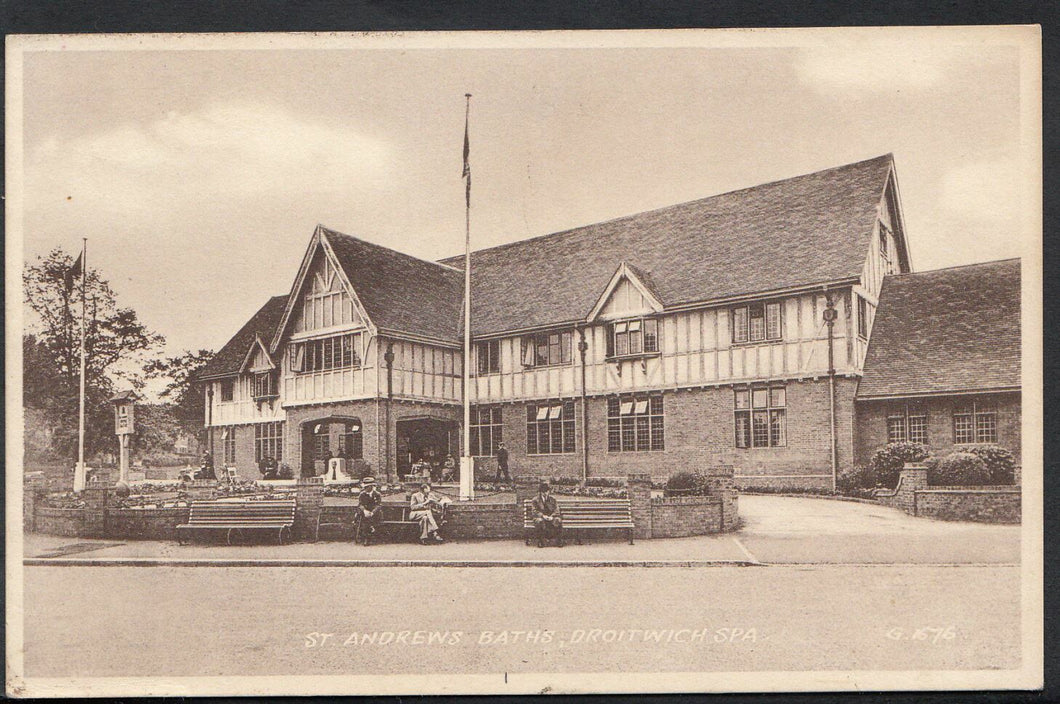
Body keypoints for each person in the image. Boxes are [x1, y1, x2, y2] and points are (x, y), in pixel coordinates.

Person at [531, 481, 564, 548]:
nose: (545, 493)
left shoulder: (552, 499)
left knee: (558, 520)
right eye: (543, 492)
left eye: (546, 491)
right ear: (540, 492)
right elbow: (534, 511)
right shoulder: (535, 500)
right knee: (540, 521)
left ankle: (559, 541)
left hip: (551, 517)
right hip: (540, 517)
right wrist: (543, 516)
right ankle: (541, 541)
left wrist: (552, 516)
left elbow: (557, 509)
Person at [357, 476, 383, 546]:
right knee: (365, 519)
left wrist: (372, 512)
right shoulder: (362, 494)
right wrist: (365, 511)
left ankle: (368, 537)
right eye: (364, 487)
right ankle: (366, 538)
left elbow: (378, 505)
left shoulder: (377, 494)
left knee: (370, 519)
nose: (365, 489)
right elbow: (360, 504)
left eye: (367, 487)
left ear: (371, 486)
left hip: (375, 513)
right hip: (365, 513)